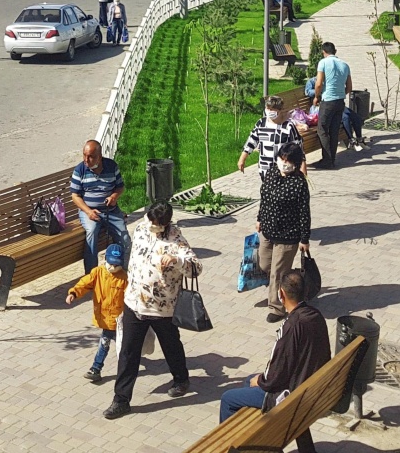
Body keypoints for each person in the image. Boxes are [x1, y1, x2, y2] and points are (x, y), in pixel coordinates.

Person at [216, 269, 331, 452]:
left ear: (282, 294)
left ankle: (238, 446)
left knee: (228, 399)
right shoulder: (315, 315)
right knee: (248, 382)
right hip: (311, 390)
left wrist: (260, 380)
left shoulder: (290, 327)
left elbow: (274, 377)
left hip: (289, 397)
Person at [105, 202, 199, 420]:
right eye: (150, 220)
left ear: (166, 223)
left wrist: (177, 261)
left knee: (171, 344)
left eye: (157, 224)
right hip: (134, 303)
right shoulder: (140, 228)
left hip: (162, 308)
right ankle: (121, 400)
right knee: (128, 352)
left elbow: (196, 268)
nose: (152, 226)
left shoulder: (176, 239)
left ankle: (181, 378)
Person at [255, 144, 311, 323]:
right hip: (268, 230)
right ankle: (290, 283)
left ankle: (277, 308)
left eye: (288, 161)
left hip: (288, 235)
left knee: (277, 273)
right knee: (264, 264)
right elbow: (264, 198)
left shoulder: (299, 183)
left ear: (295, 163)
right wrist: (259, 218)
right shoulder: (271, 173)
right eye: (281, 159)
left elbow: (304, 212)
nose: (283, 163)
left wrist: (304, 238)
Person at [66, 243, 128, 381]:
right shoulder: (98, 272)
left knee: (122, 346)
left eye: (117, 265)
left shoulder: (125, 278)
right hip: (106, 319)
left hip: (120, 320)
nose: (113, 268)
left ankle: (101, 368)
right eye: (111, 264)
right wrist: (74, 293)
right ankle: (97, 368)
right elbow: (84, 283)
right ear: (105, 259)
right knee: (106, 343)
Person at [71, 140, 130, 273]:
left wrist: (114, 197)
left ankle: (123, 272)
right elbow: (75, 196)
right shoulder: (80, 170)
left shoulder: (112, 166)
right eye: (84, 155)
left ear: (100, 156)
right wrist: (88, 212)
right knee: (91, 233)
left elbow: (120, 187)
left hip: (111, 210)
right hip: (89, 211)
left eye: (91, 156)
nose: (86, 159)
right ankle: (91, 275)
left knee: (124, 238)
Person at [238, 95, 303, 177]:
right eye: (268, 108)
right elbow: (251, 141)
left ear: (279, 110)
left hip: (284, 170)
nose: (269, 111)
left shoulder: (288, 126)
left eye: (272, 109)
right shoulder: (261, 123)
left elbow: (298, 148)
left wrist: (302, 169)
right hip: (265, 169)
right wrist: (242, 158)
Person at [312, 42, 352, 169]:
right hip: (340, 101)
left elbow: (318, 84)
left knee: (322, 129)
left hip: (328, 100)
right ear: (335, 51)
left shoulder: (323, 63)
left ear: (324, 52)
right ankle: (332, 159)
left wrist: (317, 97)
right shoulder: (345, 65)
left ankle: (327, 160)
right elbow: (349, 87)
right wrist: (340, 93)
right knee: (334, 131)